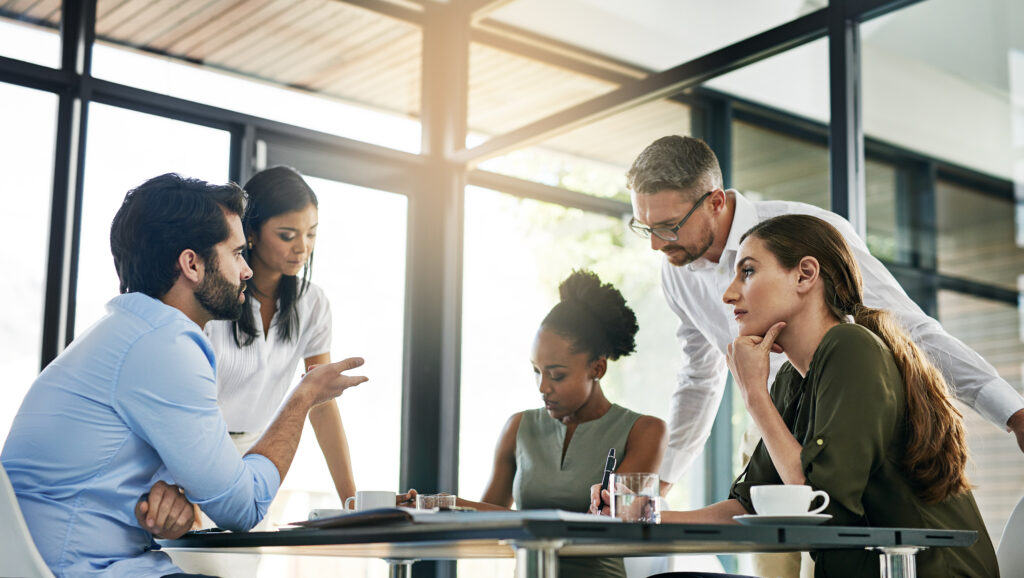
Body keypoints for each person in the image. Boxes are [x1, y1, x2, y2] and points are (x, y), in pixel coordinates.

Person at [627, 135, 1024, 576]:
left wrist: (1013, 413)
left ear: (715, 201)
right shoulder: (788, 379)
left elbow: (912, 332)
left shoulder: (850, 345)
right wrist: (645, 511)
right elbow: (701, 389)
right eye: (645, 229)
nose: (728, 293)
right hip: (786, 429)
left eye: (750, 271)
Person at [0, 173, 368, 577]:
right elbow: (243, 507)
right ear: (192, 263)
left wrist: (168, 497)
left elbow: (116, 467)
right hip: (82, 569)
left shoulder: (130, 330)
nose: (246, 270)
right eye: (235, 254)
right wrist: (303, 397)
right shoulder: (167, 346)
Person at [449, 270, 667, 578]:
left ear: (598, 368)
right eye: (536, 371)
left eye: (557, 375)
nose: (542, 387)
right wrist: (445, 506)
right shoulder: (518, 427)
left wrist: (472, 510)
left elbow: (613, 523)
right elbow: (485, 524)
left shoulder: (645, 431)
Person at [203, 166, 355, 503]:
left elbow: (321, 403)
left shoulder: (312, 303)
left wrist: (351, 500)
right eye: (288, 235)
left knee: (247, 555)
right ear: (251, 232)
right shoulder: (213, 298)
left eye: (311, 234)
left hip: (261, 456)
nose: (302, 247)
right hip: (197, 451)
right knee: (201, 556)